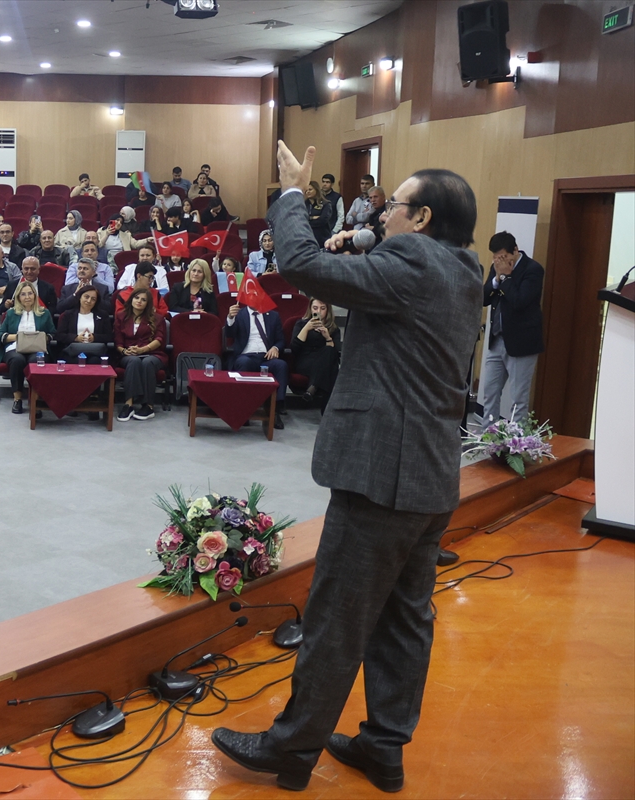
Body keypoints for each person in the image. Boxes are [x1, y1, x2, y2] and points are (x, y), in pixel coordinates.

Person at [209, 143, 483, 794]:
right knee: (405, 618)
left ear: (419, 222)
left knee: (337, 616)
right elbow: (377, 244)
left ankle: (291, 749)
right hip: (430, 474)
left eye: (393, 206)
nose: (381, 212)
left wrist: (292, 197)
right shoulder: (463, 266)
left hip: (380, 473)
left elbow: (300, 263)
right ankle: (384, 747)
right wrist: (358, 234)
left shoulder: (410, 258)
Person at [478, 231, 544, 425]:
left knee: (518, 400)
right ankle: (487, 441)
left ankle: (516, 447)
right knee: (490, 393)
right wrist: (496, 280)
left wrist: (505, 278)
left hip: (521, 344)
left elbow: (519, 301)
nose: (499, 261)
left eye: (503, 257)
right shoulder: (496, 268)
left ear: (515, 250)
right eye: (496, 257)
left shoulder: (533, 270)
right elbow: (484, 299)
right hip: (497, 340)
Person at [224, 296, 287, 430]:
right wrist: (230, 317)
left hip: (266, 357)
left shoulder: (273, 316)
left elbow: (281, 340)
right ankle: (244, 409)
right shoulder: (239, 314)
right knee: (244, 363)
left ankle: (275, 409)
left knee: (281, 365)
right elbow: (229, 334)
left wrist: (275, 348)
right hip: (246, 355)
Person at [0, 281, 56, 414]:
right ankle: (17, 399)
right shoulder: (11, 313)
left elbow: (52, 333)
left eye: (30, 293)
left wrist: (42, 337)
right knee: (17, 360)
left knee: (35, 361)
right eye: (23, 294)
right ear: (18, 297)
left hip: (37, 348)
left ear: (35, 295)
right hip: (15, 347)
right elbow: (0, 335)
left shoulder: (44, 313)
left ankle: (36, 399)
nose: (27, 297)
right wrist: (18, 337)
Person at [114, 287, 166, 421]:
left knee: (147, 362)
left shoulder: (157, 318)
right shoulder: (121, 316)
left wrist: (143, 350)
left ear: (148, 303)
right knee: (134, 361)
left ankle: (148, 406)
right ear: (131, 299)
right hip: (128, 354)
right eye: (137, 298)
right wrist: (125, 351)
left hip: (153, 353)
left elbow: (159, 340)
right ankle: (128, 405)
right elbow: (118, 343)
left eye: (143, 300)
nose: (139, 301)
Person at [292, 297, 341, 405]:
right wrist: (306, 328)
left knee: (329, 351)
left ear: (327, 310)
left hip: (323, 363)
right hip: (305, 362)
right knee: (332, 372)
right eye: (315, 308)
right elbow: (294, 349)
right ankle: (326, 412)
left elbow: (337, 353)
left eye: (322, 308)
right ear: (310, 309)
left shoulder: (333, 329)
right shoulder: (300, 324)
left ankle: (312, 388)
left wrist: (328, 337)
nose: (318, 311)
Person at [55, 284, 111, 364]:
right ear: (80, 297)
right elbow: (59, 335)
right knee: (75, 361)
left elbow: (109, 336)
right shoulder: (68, 314)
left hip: (94, 352)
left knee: (94, 361)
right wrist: (76, 338)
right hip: (72, 352)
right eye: (86, 297)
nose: (89, 301)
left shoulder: (102, 315)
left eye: (93, 299)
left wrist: (94, 337)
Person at [304, 181, 336, 246]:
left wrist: (308, 221)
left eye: (310, 189)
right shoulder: (304, 204)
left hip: (322, 237)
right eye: (306, 190)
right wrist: (312, 217)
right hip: (307, 237)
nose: (308, 192)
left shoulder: (326, 204)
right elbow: (300, 219)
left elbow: (322, 220)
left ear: (316, 190)